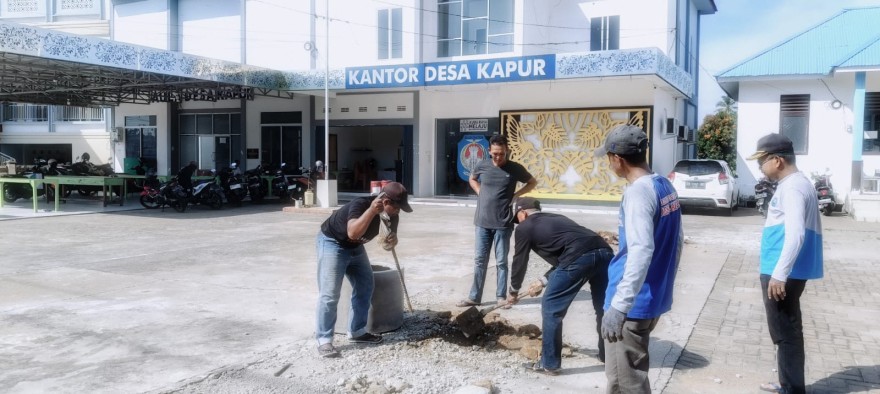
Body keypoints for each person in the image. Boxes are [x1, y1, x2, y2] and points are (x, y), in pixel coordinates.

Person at [595, 124, 683, 393]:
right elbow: (677, 240)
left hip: (631, 305)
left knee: (625, 383)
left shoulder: (637, 193)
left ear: (617, 159)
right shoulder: (663, 184)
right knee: (631, 378)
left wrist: (619, 306)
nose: (609, 164)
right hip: (649, 298)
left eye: (608, 159)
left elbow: (641, 250)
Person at [747, 134, 823, 394]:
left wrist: (779, 274)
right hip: (785, 269)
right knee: (788, 329)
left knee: (784, 332)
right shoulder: (797, 184)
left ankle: (791, 388)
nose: (760, 167)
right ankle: (788, 383)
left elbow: (796, 233)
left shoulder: (792, 188)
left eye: (762, 161)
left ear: (777, 160)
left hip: (782, 272)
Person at [506, 197, 614, 375]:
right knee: (604, 307)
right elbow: (567, 256)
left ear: (522, 213)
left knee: (551, 308)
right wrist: (543, 281)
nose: (518, 223)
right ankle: (609, 356)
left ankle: (549, 363)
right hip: (605, 253)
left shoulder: (524, 227)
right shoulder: (558, 219)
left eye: (517, 218)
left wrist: (514, 290)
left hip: (580, 257)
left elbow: (520, 261)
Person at [315, 182, 413, 358]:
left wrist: (392, 241)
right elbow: (353, 233)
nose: (398, 211)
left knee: (365, 285)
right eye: (397, 207)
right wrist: (371, 212)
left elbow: (387, 244)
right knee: (330, 294)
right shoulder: (360, 204)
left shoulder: (392, 216)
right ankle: (324, 339)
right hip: (333, 242)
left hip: (355, 247)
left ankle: (357, 331)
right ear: (385, 202)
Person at [457, 134, 537, 308]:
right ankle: (474, 297)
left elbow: (532, 182)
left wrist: (516, 195)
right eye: (495, 153)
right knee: (480, 260)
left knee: (501, 262)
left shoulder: (515, 168)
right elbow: (472, 178)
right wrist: (479, 191)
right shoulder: (482, 165)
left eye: (501, 153)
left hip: (503, 223)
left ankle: (501, 297)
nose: (498, 157)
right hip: (482, 222)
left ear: (506, 150)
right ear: (489, 151)